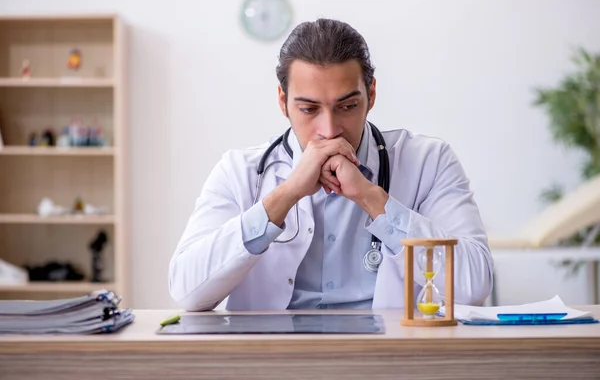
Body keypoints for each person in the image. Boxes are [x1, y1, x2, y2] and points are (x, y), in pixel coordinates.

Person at [169, 18, 493, 311]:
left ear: (372, 94)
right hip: (272, 360)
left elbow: (473, 285)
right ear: (283, 102)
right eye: (309, 109)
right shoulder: (239, 171)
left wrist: (371, 198)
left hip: (387, 359)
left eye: (347, 106)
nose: (329, 129)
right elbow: (187, 291)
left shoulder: (428, 161)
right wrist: (286, 195)